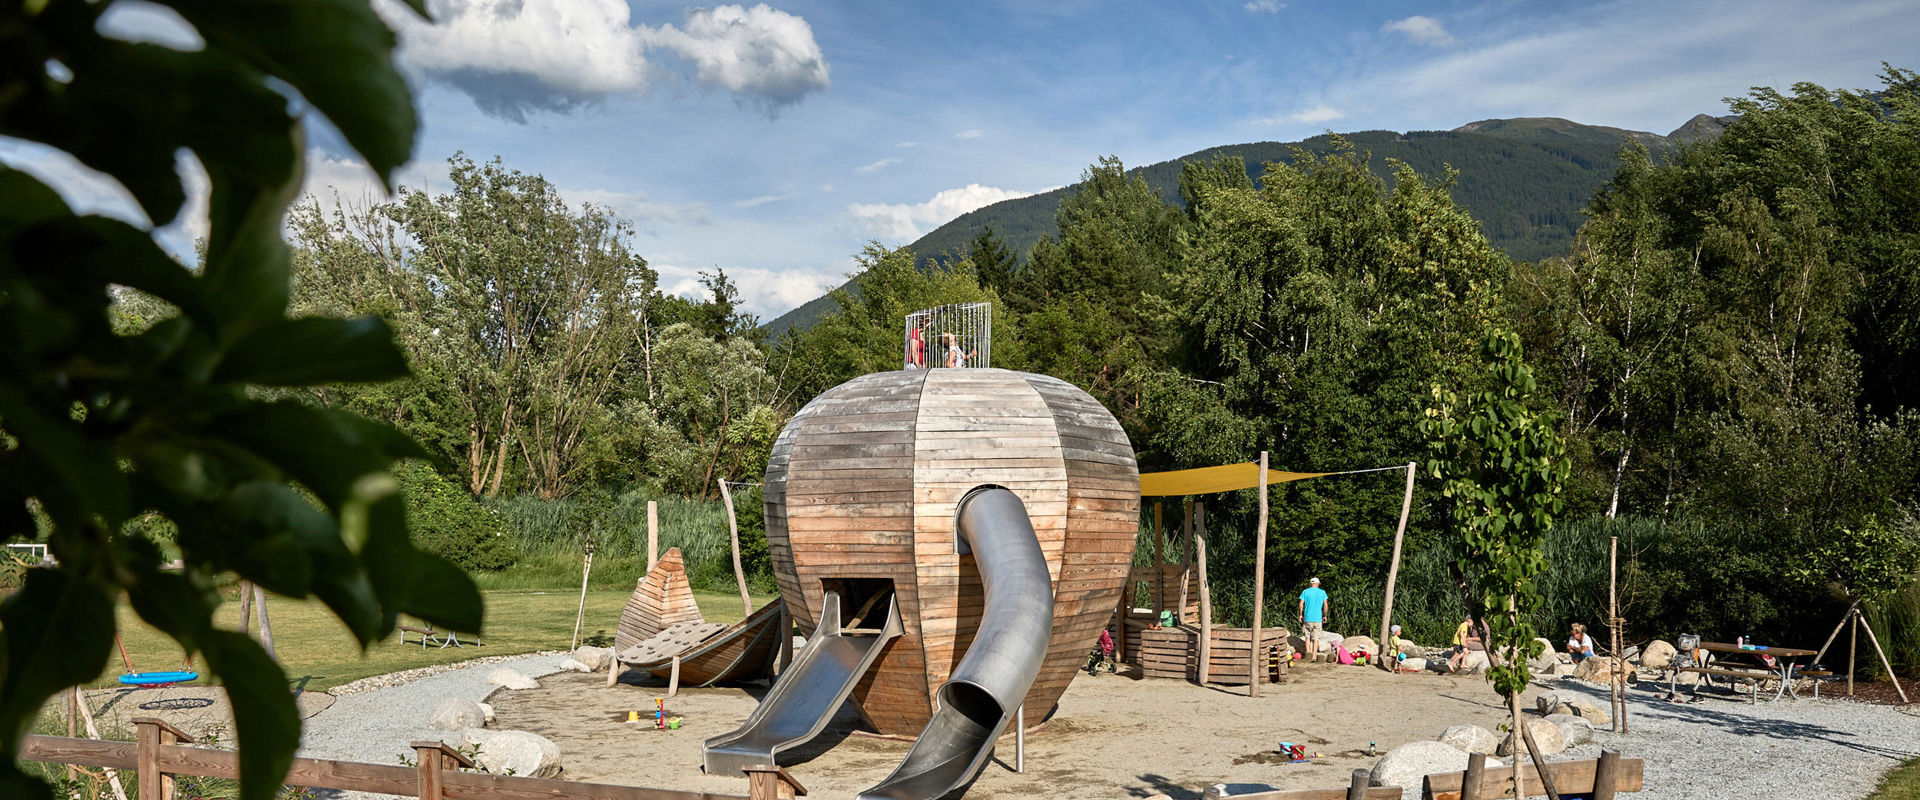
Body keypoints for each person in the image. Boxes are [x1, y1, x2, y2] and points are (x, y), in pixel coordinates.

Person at [1298, 577, 1329, 658]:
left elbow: (1301, 604)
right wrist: (1325, 616)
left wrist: (1301, 615)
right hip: (1318, 618)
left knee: (1307, 637)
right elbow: (1325, 605)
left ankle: (1308, 653)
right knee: (1316, 638)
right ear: (1318, 583)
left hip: (1307, 618)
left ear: (1310, 583)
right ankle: (1314, 656)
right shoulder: (1322, 592)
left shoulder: (1305, 591)